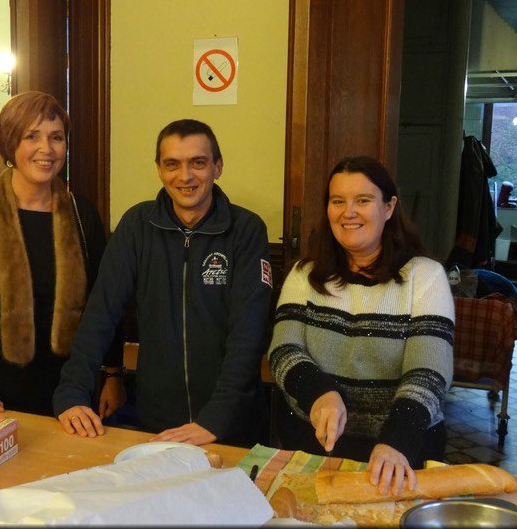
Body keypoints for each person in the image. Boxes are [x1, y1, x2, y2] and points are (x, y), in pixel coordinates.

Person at [52, 119, 273, 446]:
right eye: (172, 164)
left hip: (231, 425)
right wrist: (72, 392)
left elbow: (248, 332)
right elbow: (101, 312)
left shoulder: (246, 229)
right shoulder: (136, 226)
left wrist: (216, 419)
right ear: (159, 169)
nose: (185, 176)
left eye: (198, 163)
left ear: (218, 167)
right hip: (156, 422)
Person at [268, 156, 454, 497]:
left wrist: (398, 439)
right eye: (338, 201)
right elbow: (283, 351)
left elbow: (428, 372)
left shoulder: (425, 276)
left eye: (363, 200)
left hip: (401, 447)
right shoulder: (303, 274)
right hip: (312, 442)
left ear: (389, 207)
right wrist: (319, 393)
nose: (348, 212)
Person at [0, 91, 125, 417]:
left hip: (68, 395)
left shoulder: (82, 214)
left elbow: (104, 303)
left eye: (56, 137)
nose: (46, 149)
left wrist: (113, 374)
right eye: (31, 136)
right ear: (9, 145)